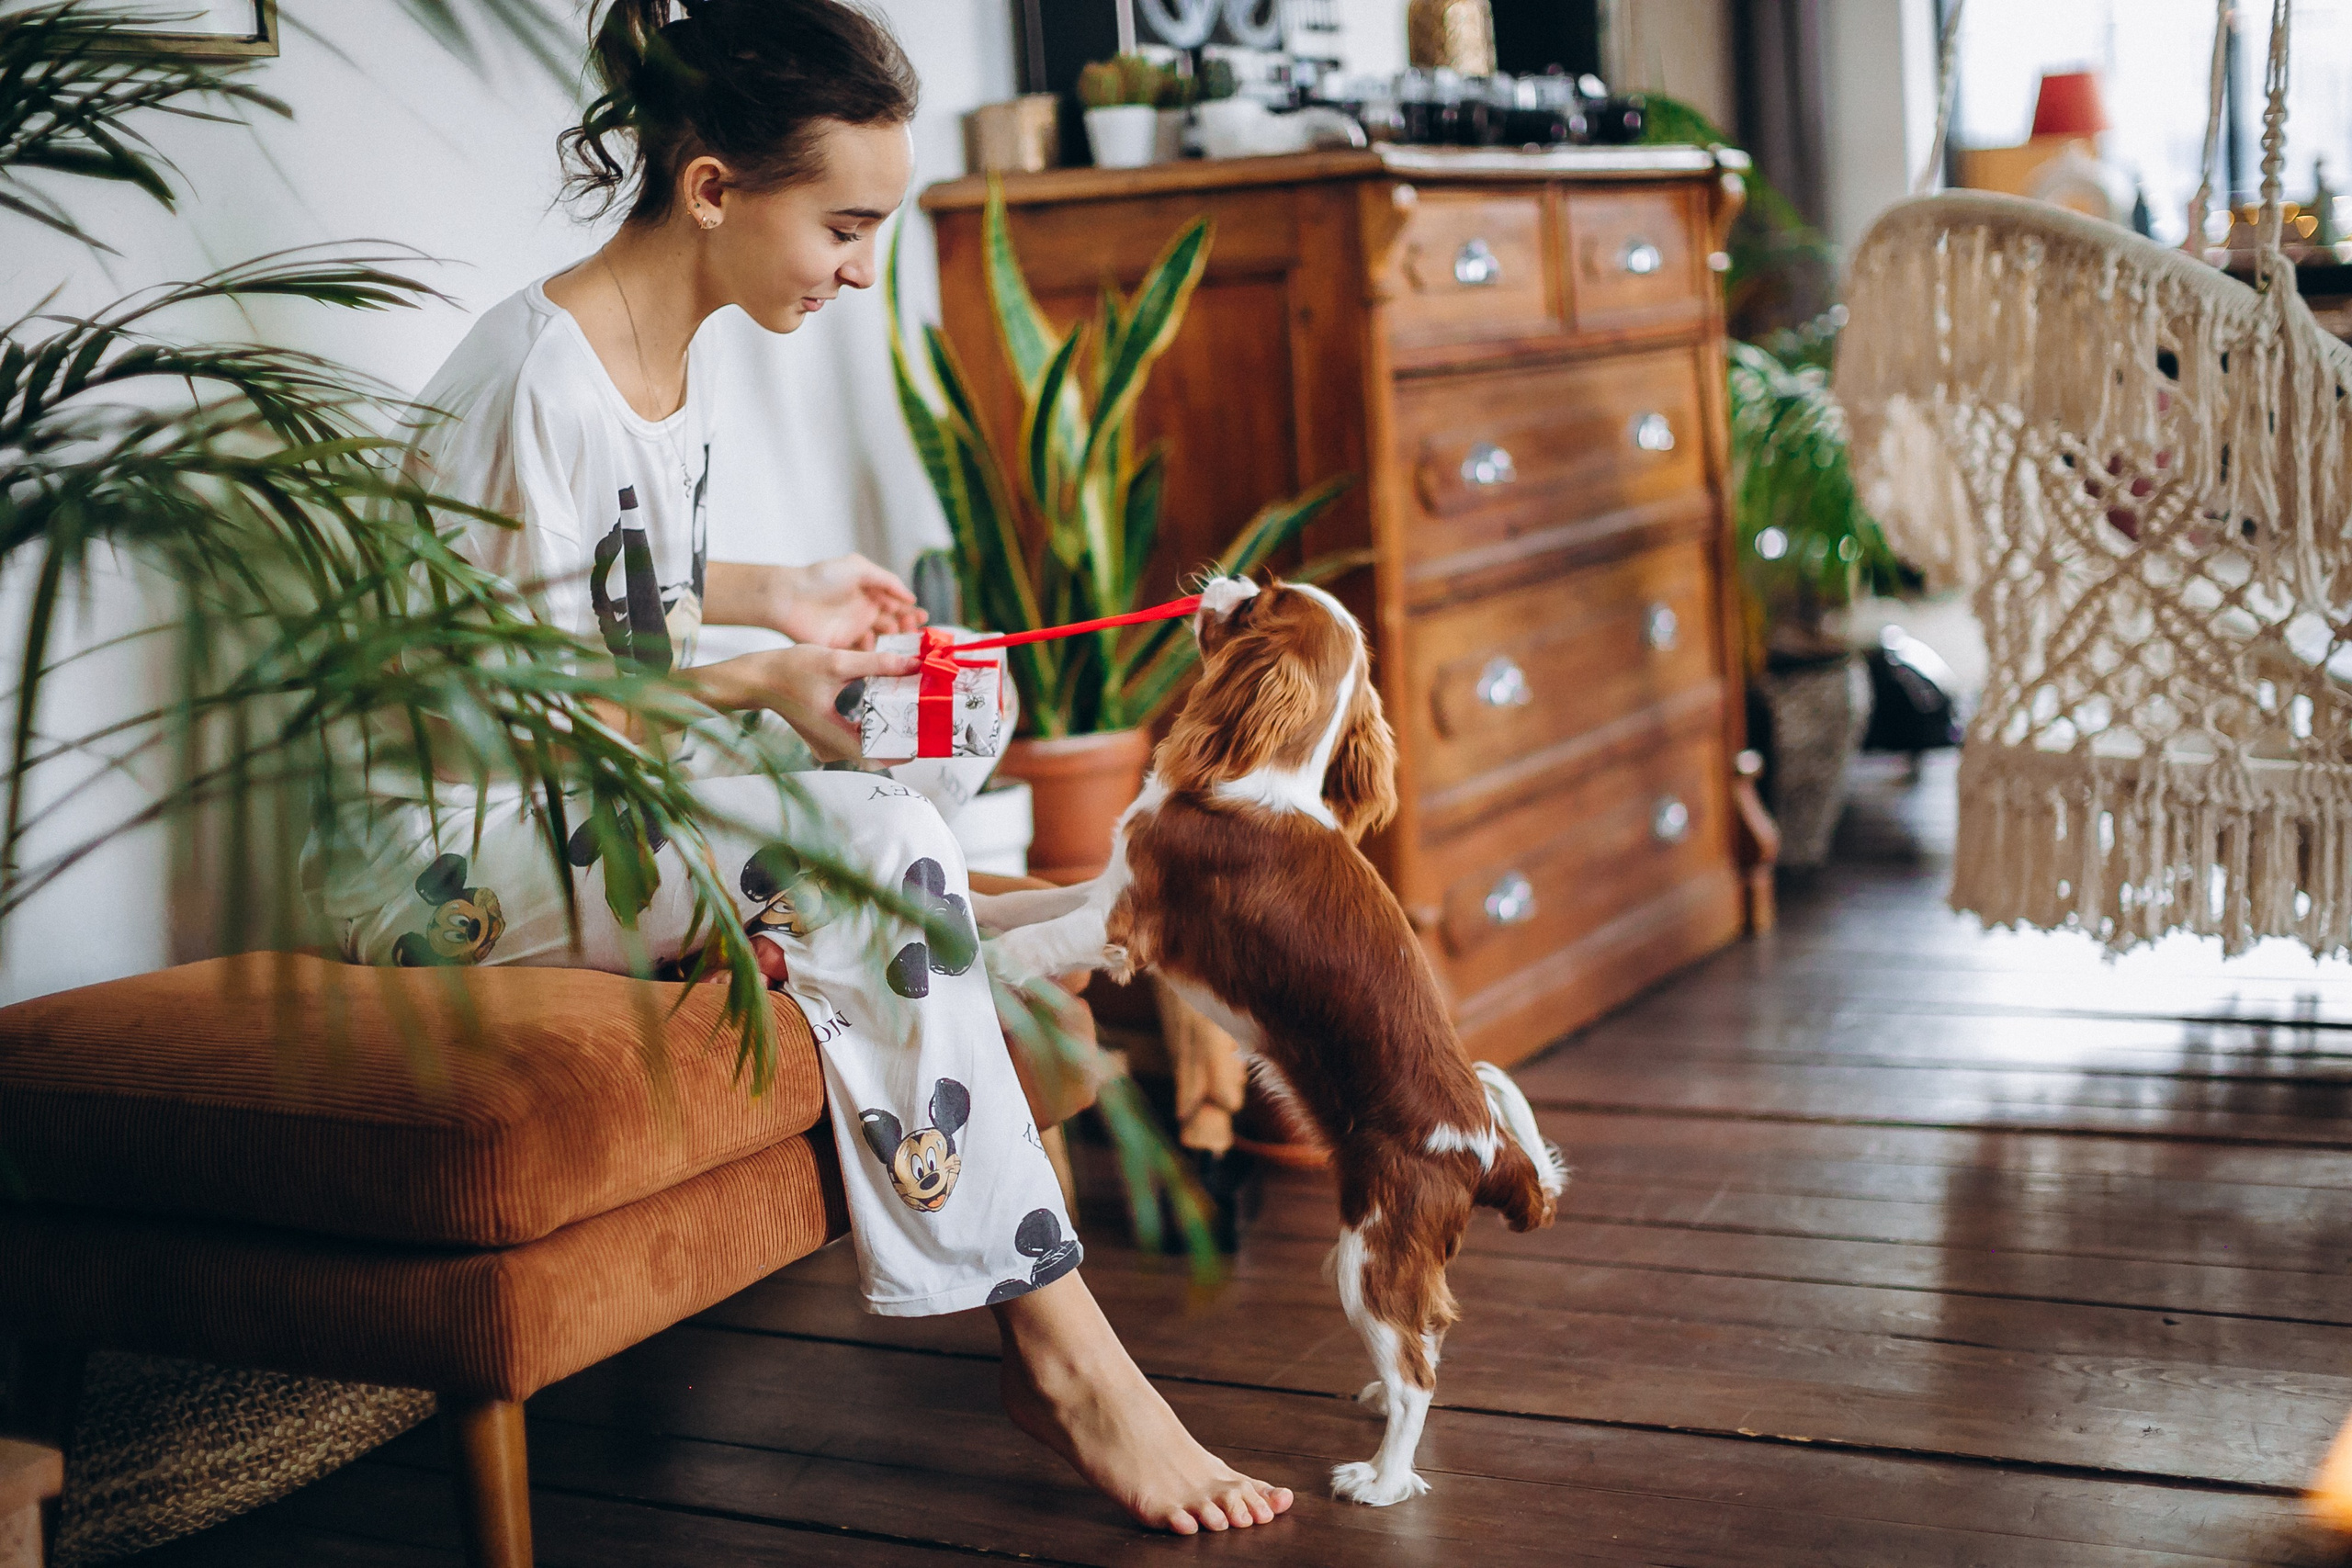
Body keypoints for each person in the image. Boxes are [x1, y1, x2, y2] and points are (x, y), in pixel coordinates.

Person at [308, 0, 1294, 1536]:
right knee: (867, 839)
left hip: (589, 802)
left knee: (945, 712)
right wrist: (766, 681)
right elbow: (517, 711)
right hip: (451, 859)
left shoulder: (658, 352)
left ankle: (992, 930)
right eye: (845, 226)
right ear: (713, 188)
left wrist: (784, 598)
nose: (860, 269)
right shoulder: (535, 381)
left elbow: (595, 594)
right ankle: (1068, 1355)